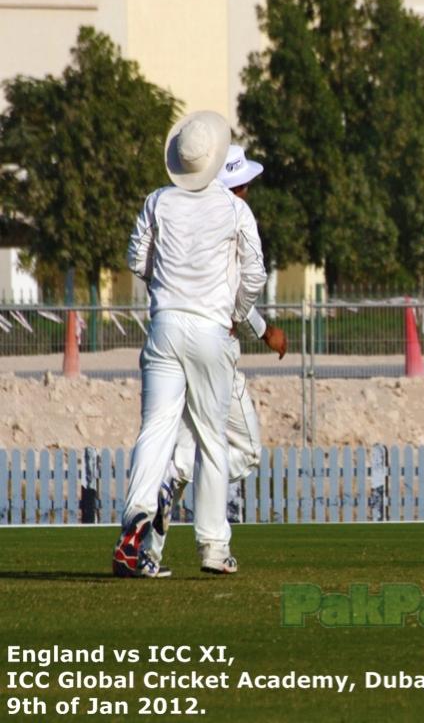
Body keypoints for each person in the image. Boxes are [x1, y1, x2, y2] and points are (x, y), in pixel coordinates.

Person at [113, 112, 267, 578]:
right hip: (209, 330)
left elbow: (136, 258)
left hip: (164, 326)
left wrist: (165, 284)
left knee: (155, 431)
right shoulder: (235, 209)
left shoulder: (157, 201)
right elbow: (255, 274)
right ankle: (214, 548)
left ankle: (135, 524)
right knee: (212, 439)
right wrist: (236, 312)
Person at [146, 144, 287, 574]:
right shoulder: (231, 216)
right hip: (213, 351)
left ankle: (150, 545)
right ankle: (211, 544)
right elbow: (246, 282)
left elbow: (148, 265)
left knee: (188, 441)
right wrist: (256, 326)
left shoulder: (180, 215)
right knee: (237, 450)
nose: (245, 191)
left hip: (170, 342)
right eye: (241, 184)